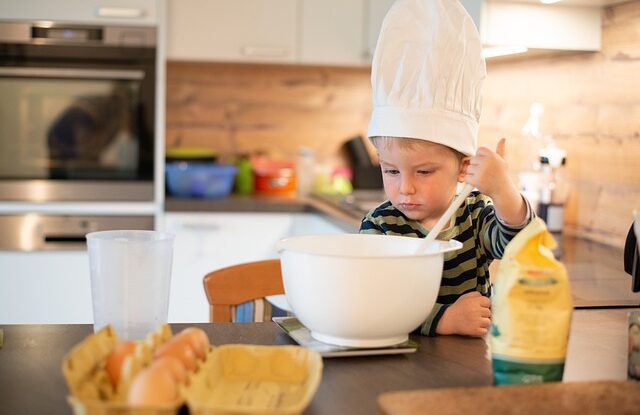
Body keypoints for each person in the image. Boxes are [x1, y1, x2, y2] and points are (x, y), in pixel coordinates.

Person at [359, 0, 534, 337]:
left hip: (468, 369)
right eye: (391, 171)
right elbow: (373, 300)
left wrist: (502, 190)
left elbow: (519, 246)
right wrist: (444, 321)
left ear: (463, 168)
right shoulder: (380, 226)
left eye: (423, 172)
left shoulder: (474, 216)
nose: (404, 188)